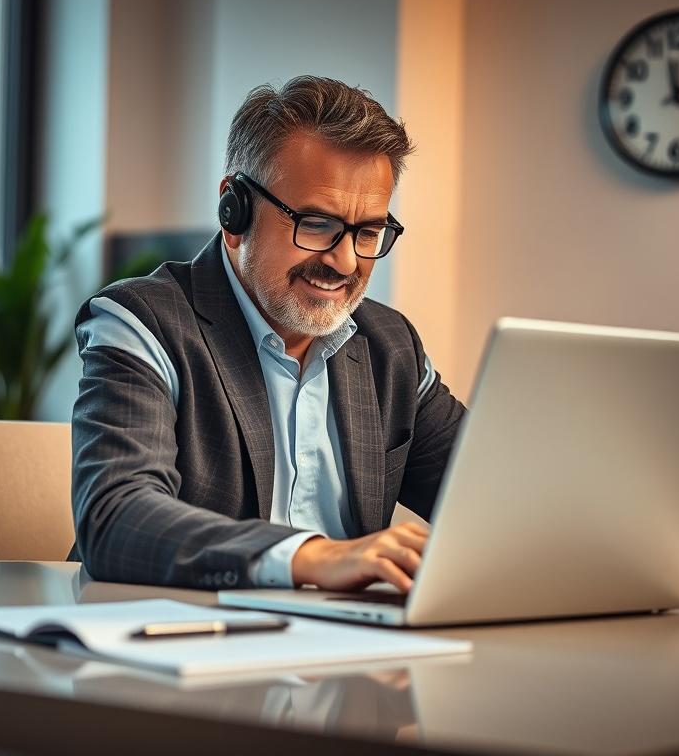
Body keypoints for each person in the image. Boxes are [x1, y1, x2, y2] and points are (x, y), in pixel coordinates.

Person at [71, 75, 466, 592]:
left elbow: (495, 502)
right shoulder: (141, 323)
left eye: (368, 232)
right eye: (317, 223)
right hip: (181, 647)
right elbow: (116, 517)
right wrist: (312, 557)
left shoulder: (392, 348)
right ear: (234, 210)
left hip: (352, 655)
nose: (344, 261)